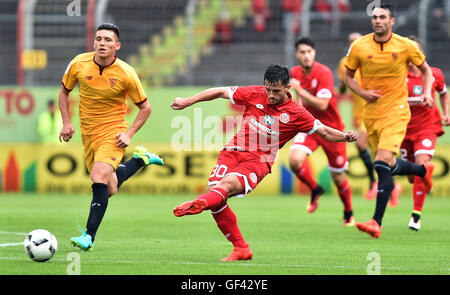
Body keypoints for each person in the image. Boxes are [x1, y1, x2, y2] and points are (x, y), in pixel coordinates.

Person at [171, 64, 358, 261]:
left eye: (276, 91)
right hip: (232, 152)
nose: (270, 95)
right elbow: (219, 91)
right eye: (267, 89)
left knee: (224, 187)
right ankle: (241, 248)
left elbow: (326, 131)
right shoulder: (255, 93)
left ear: (288, 88)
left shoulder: (296, 113)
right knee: (215, 193)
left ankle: (198, 204)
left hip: (257, 162)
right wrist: (186, 101)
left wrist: (346, 136)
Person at [59, 23, 164, 250]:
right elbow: (64, 92)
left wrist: (128, 134)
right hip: (88, 134)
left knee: (98, 175)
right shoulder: (78, 64)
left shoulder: (127, 73)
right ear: (93, 43)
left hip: (113, 132)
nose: (102, 43)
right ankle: (140, 160)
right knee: (109, 188)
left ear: (117, 46)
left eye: (107, 40)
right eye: (99, 39)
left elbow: (146, 107)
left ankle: (89, 236)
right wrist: (66, 122)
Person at [344, 2, 434, 238]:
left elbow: (426, 70)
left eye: (382, 17)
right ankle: (422, 171)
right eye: (374, 17)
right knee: (389, 166)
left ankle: (376, 222)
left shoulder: (405, 45)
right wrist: (362, 93)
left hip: (397, 111)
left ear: (391, 21)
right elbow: (347, 76)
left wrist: (426, 93)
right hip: (371, 115)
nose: (377, 21)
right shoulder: (359, 46)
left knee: (381, 163)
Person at [289, 37, 355, 226]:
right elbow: (291, 97)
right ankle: (315, 189)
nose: (306, 55)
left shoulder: (324, 72)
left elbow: (323, 104)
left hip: (332, 128)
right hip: (310, 126)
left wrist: (300, 91)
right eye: (302, 52)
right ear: (297, 55)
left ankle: (348, 211)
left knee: (338, 176)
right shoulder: (293, 73)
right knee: (294, 160)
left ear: (314, 53)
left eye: (309, 52)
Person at [338, 32, 403, 202]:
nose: (353, 45)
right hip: (360, 115)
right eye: (350, 42)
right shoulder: (344, 64)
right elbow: (344, 85)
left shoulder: (373, 60)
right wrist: (343, 87)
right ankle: (389, 185)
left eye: (356, 41)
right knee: (375, 153)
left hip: (379, 113)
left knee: (371, 149)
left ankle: (377, 183)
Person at [401, 35, 449, 231]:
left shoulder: (433, 73)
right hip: (403, 131)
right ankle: (426, 176)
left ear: (421, 53)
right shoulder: (398, 76)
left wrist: (446, 113)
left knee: (421, 164)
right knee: (413, 176)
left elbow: (444, 92)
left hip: (427, 128)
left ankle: (416, 217)